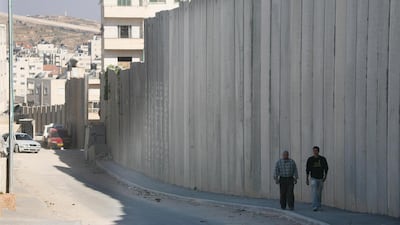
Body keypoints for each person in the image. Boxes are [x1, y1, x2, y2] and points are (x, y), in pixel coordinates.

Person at [306, 146, 329, 211]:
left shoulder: (322, 159)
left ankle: (318, 205)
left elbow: (326, 168)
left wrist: (325, 176)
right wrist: (307, 178)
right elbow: (307, 169)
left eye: (316, 150)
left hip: (321, 178)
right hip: (313, 178)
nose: (315, 152)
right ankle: (314, 206)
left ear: (318, 151)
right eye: (314, 150)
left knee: (319, 193)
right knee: (314, 192)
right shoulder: (310, 159)